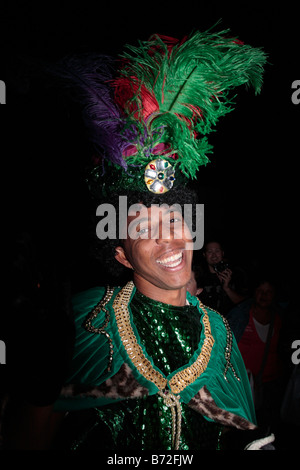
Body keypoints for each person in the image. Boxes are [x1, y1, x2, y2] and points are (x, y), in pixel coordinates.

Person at [3, 29, 270, 450]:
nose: (169, 238)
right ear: (121, 254)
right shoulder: (84, 320)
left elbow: (238, 428)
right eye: (144, 228)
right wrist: (36, 391)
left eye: (175, 218)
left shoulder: (219, 330)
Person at [227, 275, 284, 435]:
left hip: (270, 384)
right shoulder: (240, 316)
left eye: (268, 292)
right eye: (260, 291)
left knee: (265, 426)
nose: (264, 295)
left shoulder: (280, 317)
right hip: (242, 384)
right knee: (241, 428)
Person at [198, 240, 248, 316]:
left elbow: (246, 305)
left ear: (222, 253)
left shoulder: (237, 275)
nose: (214, 255)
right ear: (204, 255)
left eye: (217, 251)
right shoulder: (198, 278)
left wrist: (227, 288)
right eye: (210, 252)